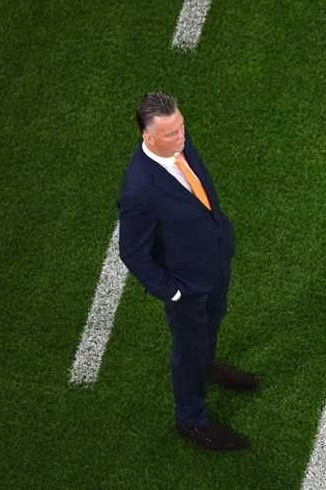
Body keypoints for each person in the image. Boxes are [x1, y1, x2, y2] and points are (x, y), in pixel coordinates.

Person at [117, 90, 258, 452]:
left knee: (214, 320)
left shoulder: (179, 143)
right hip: (187, 285)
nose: (181, 136)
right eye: (171, 133)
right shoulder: (139, 190)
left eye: (182, 127)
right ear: (148, 136)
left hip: (214, 260)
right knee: (188, 349)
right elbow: (131, 251)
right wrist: (173, 291)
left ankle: (207, 365)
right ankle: (191, 420)